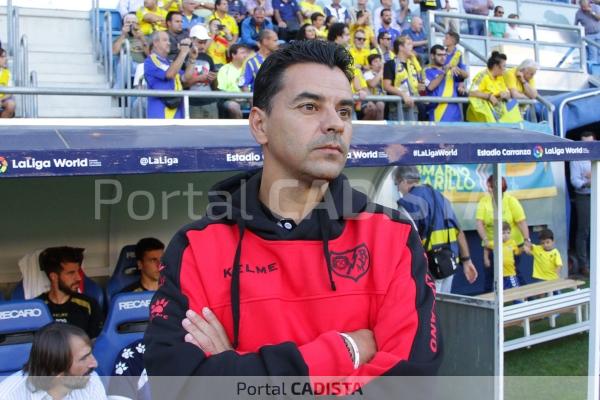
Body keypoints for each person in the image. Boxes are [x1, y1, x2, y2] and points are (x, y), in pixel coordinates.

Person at [144, 40, 441, 397]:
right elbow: (180, 387)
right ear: (259, 125)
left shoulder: (392, 237)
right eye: (310, 106)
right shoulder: (195, 247)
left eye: (344, 111)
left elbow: (408, 383)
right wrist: (345, 349)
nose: (334, 124)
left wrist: (234, 370)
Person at [394, 166, 478, 293]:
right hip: (449, 264)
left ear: (404, 181)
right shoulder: (441, 197)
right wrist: (467, 261)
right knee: (445, 305)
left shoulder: (407, 203)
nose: (397, 188)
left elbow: (405, 239)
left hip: (429, 267)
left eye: (397, 184)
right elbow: (458, 231)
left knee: (430, 309)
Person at [0, 323, 106, 400]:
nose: (95, 363)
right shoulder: (8, 396)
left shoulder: (90, 379)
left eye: (90, 353)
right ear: (56, 370)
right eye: (83, 358)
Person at [476, 175, 532, 292]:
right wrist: (485, 240)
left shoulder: (511, 200)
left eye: (492, 187)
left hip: (512, 245)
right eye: (489, 187)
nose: (489, 190)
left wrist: (527, 241)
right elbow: (479, 223)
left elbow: (521, 222)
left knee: (513, 273)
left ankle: (526, 300)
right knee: (490, 274)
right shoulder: (484, 201)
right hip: (493, 245)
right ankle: (489, 303)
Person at [36, 247, 103, 339]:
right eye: (71, 273)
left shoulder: (89, 305)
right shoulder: (36, 308)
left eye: (78, 272)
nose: (79, 278)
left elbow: (98, 343)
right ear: (54, 277)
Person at [144, 31, 196, 118]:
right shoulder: (151, 60)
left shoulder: (169, 63)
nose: (169, 43)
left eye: (169, 40)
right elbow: (170, 74)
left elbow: (186, 78)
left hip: (177, 112)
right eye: (165, 40)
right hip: (161, 114)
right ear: (155, 43)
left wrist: (192, 59)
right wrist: (183, 52)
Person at [466, 51, 522, 123]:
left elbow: (504, 93)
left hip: (497, 118)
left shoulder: (501, 78)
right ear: (496, 66)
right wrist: (488, 96)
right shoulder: (482, 76)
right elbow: (471, 92)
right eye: (504, 66)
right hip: (481, 121)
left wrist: (506, 95)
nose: (505, 69)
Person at [569, 131, 595, 277]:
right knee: (584, 230)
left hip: (597, 194)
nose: (588, 145)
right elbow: (575, 181)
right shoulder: (576, 158)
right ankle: (584, 265)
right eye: (584, 142)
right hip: (584, 196)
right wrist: (588, 182)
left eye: (590, 143)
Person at [383, 36, 422, 120]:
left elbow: (417, 84)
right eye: (408, 44)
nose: (412, 47)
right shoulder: (390, 64)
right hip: (396, 108)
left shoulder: (413, 64)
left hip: (413, 106)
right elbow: (386, 86)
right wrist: (403, 94)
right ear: (401, 47)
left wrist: (419, 87)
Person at [187, 24, 219, 118]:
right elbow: (182, 84)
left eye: (204, 42)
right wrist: (199, 78)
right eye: (200, 42)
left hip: (210, 101)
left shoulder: (208, 58)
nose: (203, 45)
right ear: (191, 40)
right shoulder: (184, 57)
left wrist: (214, 78)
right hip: (192, 103)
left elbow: (214, 84)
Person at [424, 45, 462, 122]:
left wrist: (456, 68)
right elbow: (430, 87)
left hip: (456, 114)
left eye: (444, 55)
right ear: (432, 56)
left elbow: (466, 75)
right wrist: (444, 72)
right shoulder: (426, 71)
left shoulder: (450, 69)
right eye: (439, 55)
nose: (443, 58)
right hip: (438, 114)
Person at [113, 13, 150, 90]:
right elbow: (114, 51)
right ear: (123, 25)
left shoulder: (145, 38)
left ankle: (139, 97)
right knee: (126, 58)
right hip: (127, 64)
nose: (131, 25)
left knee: (142, 67)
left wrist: (142, 39)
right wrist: (123, 35)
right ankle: (118, 90)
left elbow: (150, 56)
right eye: (128, 23)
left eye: (133, 23)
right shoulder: (119, 38)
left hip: (142, 66)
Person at [483, 221, 521, 290]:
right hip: (499, 275)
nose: (506, 235)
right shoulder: (495, 243)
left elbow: (517, 252)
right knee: (499, 292)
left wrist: (523, 249)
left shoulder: (512, 242)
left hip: (510, 273)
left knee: (516, 290)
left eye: (508, 233)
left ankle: (520, 301)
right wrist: (486, 259)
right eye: (503, 233)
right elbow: (486, 247)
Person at [217, 44, 250, 118]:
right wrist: (235, 98)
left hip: (249, 99)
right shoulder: (224, 69)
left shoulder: (250, 68)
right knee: (233, 107)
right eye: (242, 53)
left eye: (246, 53)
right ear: (233, 55)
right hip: (230, 99)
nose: (246, 55)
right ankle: (240, 129)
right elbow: (222, 89)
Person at [443, 31, 468, 96]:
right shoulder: (441, 53)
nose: (443, 40)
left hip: (455, 86)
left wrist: (457, 69)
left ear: (452, 41)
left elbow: (466, 75)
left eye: (446, 38)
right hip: (443, 84)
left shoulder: (459, 54)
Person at [575, 0, 600, 64]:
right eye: (582, 7)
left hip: (598, 32)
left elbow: (599, 18)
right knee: (593, 53)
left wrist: (591, 12)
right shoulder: (578, 13)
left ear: (589, 4)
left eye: (585, 7)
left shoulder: (596, 7)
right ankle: (593, 70)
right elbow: (575, 25)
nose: (584, 8)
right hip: (589, 35)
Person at [362, 53, 386, 120]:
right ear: (370, 65)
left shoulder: (385, 74)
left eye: (380, 61)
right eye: (376, 61)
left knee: (381, 104)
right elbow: (372, 84)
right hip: (370, 100)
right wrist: (381, 71)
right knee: (379, 105)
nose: (379, 63)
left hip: (385, 99)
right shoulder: (367, 74)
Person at [0, 48, 16, 119]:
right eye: (3, 57)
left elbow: (10, 92)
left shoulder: (7, 73)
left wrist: (0, 99)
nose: (6, 59)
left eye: (5, 57)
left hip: (3, 100)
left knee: (11, 105)